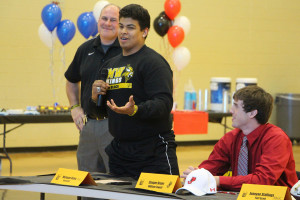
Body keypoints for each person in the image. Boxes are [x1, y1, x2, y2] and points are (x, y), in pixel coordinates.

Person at [91, 4, 180, 179]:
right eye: (121, 26)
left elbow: (163, 104)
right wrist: (95, 99)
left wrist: (135, 110)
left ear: (144, 32)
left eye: (130, 27)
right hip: (120, 153)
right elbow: (101, 111)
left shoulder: (154, 63)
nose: (123, 32)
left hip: (153, 152)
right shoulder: (110, 65)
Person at [181, 85, 298, 191]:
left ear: (252, 113)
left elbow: (262, 181)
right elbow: (211, 167)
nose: (231, 110)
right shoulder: (231, 138)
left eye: (236, 106)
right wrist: (196, 175)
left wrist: (216, 180)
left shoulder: (276, 139)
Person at [64, 4, 121, 173]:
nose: (108, 23)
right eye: (104, 18)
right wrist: (75, 108)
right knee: (86, 179)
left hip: (115, 126)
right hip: (88, 126)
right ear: (98, 21)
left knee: (116, 180)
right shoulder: (85, 49)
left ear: (121, 24)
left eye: (113, 20)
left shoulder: (126, 51)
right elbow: (71, 80)